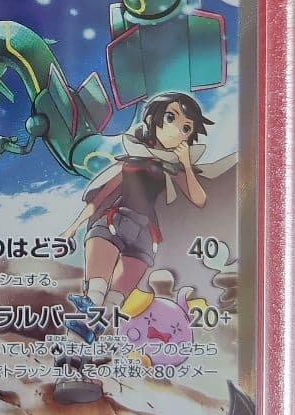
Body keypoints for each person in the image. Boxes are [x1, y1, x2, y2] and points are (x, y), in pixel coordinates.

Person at [63, 92, 214, 344]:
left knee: (111, 303)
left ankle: (76, 349)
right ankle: (71, 350)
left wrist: (186, 165)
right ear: (153, 120)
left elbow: (199, 199)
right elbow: (99, 198)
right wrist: (74, 226)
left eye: (186, 128)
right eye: (171, 118)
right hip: (115, 224)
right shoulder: (130, 162)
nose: (177, 131)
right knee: (98, 297)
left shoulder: (172, 167)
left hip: (143, 236)